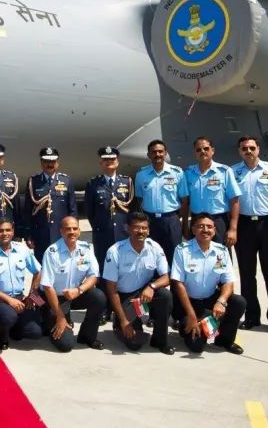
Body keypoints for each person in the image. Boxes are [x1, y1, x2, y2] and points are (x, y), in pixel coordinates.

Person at [233, 137, 268, 335]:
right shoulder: (234, 172)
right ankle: (251, 316)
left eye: (252, 148)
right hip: (244, 226)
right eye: (244, 148)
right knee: (247, 275)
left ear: (259, 149)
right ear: (239, 151)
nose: (248, 151)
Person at [171, 213, 247, 355]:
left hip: (210, 300)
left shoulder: (222, 251)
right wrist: (191, 315)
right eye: (200, 226)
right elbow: (178, 284)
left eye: (209, 227)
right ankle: (187, 325)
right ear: (193, 230)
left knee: (238, 301)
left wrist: (221, 301)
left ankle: (224, 340)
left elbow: (228, 281)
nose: (205, 230)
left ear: (214, 230)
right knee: (197, 347)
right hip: (188, 303)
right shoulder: (182, 250)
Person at [101, 211, 175, 354]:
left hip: (144, 293)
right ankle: (119, 321)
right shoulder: (115, 251)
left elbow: (166, 277)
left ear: (148, 230)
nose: (141, 231)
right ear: (127, 228)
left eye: (144, 228)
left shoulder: (154, 247)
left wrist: (152, 286)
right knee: (134, 343)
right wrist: (123, 320)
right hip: (124, 297)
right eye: (136, 227)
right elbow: (111, 289)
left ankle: (160, 340)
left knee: (165, 296)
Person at [39, 216, 106, 352]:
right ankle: (49, 322)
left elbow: (94, 276)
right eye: (68, 229)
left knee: (98, 297)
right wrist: (60, 317)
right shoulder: (52, 252)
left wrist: (79, 290)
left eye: (75, 228)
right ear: (61, 231)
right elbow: (47, 286)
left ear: (79, 231)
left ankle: (87, 336)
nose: (72, 232)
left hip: (74, 294)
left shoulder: (86, 249)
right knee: (66, 345)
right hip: (54, 299)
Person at [82, 146, 133, 325]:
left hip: (123, 234)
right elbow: (90, 211)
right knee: (103, 271)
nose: (109, 162)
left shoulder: (127, 182)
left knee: (124, 270)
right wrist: (98, 227)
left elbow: (131, 209)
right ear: (101, 163)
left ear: (117, 162)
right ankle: (104, 308)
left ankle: (122, 306)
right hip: (102, 234)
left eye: (113, 159)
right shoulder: (93, 184)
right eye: (106, 160)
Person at [0, 219, 44, 351]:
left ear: (13, 232)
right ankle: (2, 337)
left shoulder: (22, 250)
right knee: (9, 316)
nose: (5, 233)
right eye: (1, 231)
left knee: (36, 331)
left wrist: (32, 293)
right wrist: (9, 300)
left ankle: (16, 330)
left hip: (20, 297)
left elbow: (39, 271)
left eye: (8, 230)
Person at [132, 139, 188, 263]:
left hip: (171, 220)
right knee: (151, 256)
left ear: (165, 153)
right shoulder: (141, 174)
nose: (157, 154)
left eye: (160, 151)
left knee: (174, 257)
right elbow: (139, 199)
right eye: (154, 152)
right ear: (148, 155)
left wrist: (183, 222)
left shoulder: (177, 173)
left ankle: (174, 282)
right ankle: (154, 282)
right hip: (150, 220)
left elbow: (184, 199)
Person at [184, 136, 240, 247]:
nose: (202, 152)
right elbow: (186, 202)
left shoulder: (224, 171)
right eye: (198, 150)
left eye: (206, 148)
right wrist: (185, 225)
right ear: (195, 152)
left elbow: (234, 200)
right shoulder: (188, 173)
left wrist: (233, 229)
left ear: (212, 150)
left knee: (220, 259)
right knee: (196, 256)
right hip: (196, 221)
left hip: (218, 222)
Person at [26, 147, 77, 262]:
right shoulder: (33, 181)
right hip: (40, 234)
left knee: (63, 266)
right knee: (42, 268)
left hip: (61, 233)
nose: (50, 164)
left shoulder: (66, 181)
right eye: (46, 161)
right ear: (41, 162)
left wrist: (73, 231)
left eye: (53, 161)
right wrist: (28, 235)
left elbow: (72, 210)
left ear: (57, 162)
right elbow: (28, 210)